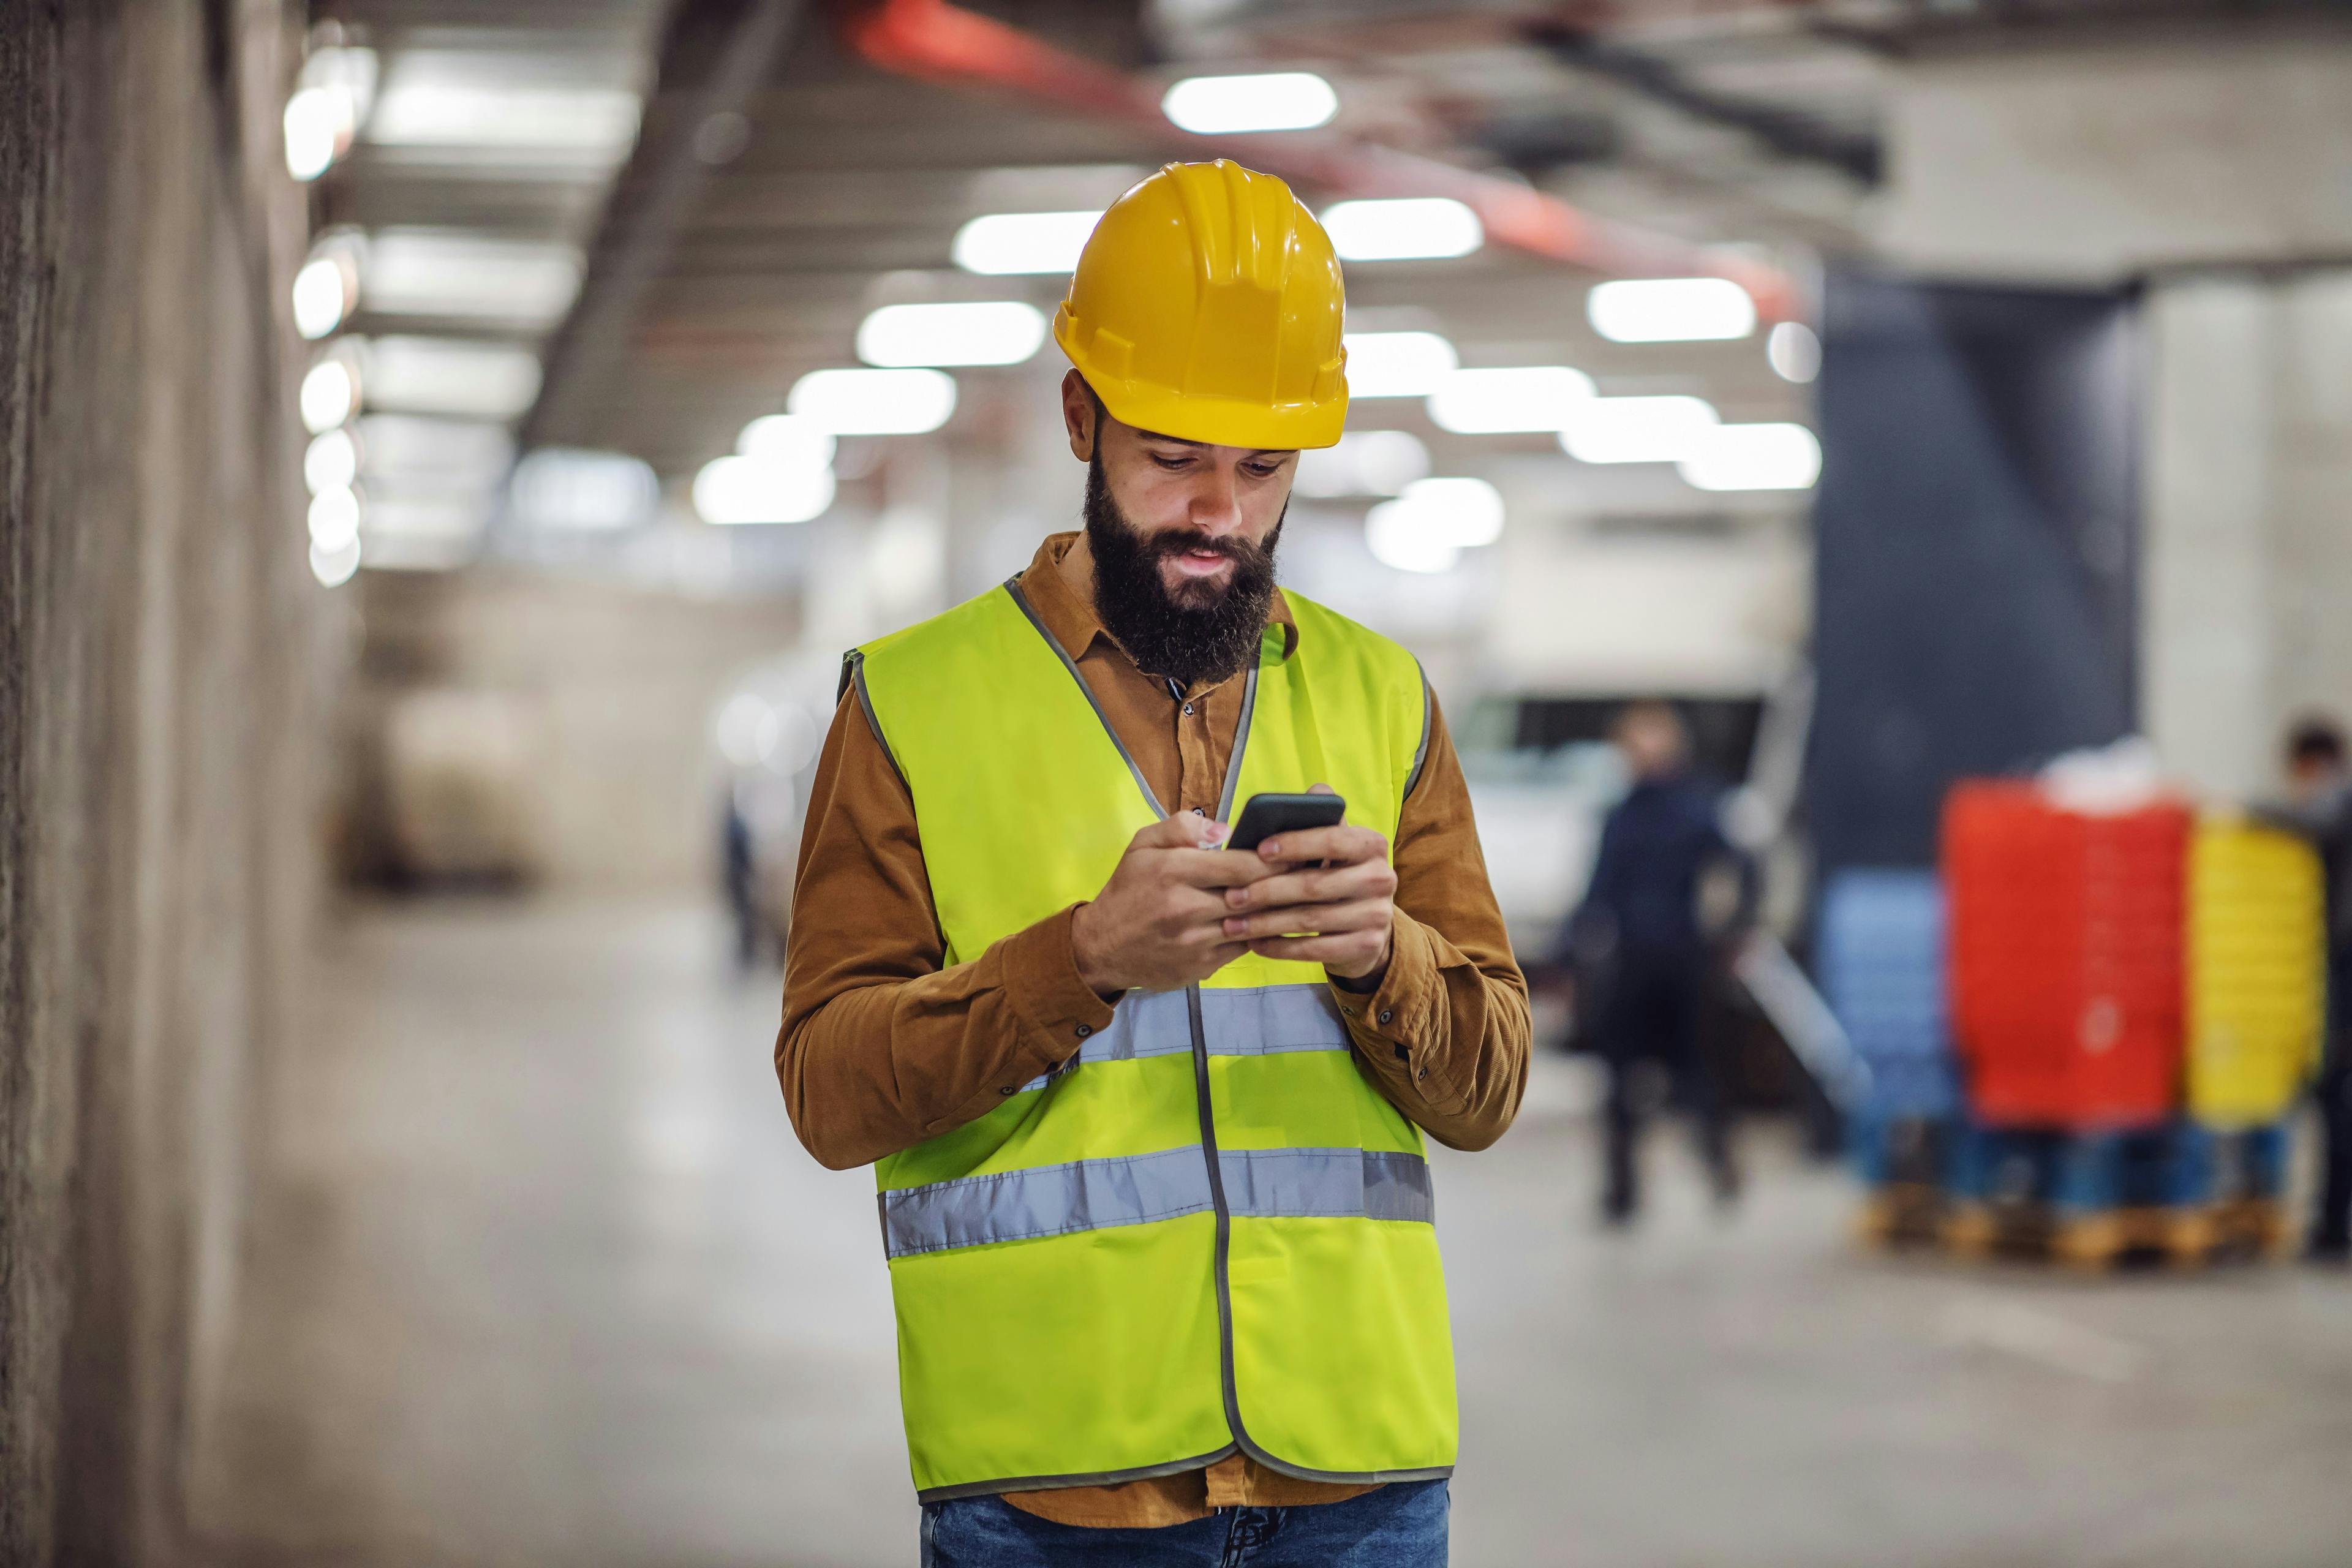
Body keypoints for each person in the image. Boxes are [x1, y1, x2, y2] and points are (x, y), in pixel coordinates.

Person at [776, 160, 1528, 1567]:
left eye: (1261, 469)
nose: (1217, 516)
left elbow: (1487, 1089)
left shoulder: (1382, 696)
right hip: (1054, 1490)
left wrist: (1383, 955)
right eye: (1173, 456)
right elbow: (827, 1087)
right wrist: (1078, 964)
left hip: (1355, 1481)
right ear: (1081, 414)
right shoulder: (910, 703)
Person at [1563, 701, 1754, 1226]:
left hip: (1682, 963)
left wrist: (1733, 929)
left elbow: (1742, 868)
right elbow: (1597, 889)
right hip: (1629, 965)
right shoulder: (1621, 814)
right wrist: (1570, 949)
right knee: (1618, 1083)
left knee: (1693, 1076)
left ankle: (1720, 1167)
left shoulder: (1696, 808)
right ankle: (1621, 1193)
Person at [2265, 717, 2352, 1262]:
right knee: (2332, 1099)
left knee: (2337, 1099)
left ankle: (2330, 1229)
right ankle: (2329, 1226)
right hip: (2337, 967)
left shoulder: (2339, 797)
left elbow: (2305, 815)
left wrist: (2239, 810)